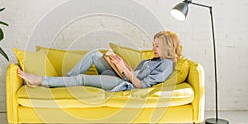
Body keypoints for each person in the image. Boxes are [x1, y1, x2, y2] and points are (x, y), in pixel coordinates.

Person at [17, 31, 182, 92]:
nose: (153, 48)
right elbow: (134, 73)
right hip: (123, 76)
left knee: (82, 79)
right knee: (95, 54)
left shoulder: (167, 65)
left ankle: (41, 81)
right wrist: (120, 65)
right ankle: (67, 79)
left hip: (125, 84)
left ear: (168, 47)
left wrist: (124, 70)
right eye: (153, 44)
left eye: (157, 46)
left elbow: (141, 85)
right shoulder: (155, 60)